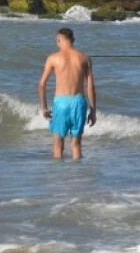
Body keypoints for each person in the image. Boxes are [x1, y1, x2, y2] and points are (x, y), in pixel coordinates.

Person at [37, 27, 97, 159]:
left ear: (59, 40)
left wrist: (44, 107)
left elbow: (42, 85)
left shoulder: (53, 58)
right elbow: (90, 87)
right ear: (73, 40)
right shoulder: (85, 58)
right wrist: (93, 111)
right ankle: (77, 176)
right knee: (76, 144)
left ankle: (59, 178)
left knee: (58, 144)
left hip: (61, 103)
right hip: (79, 102)